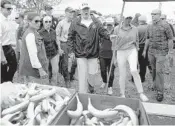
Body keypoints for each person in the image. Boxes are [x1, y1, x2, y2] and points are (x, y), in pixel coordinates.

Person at [67, 3, 110, 93]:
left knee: (92, 73)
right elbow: (70, 37)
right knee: (82, 75)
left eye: (87, 9)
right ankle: (82, 93)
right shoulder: (75, 22)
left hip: (93, 53)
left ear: (89, 10)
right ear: (81, 11)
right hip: (80, 53)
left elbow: (103, 32)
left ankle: (91, 85)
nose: (85, 11)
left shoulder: (96, 21)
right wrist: (71, 52)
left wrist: (109, 36)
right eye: (84, 9)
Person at [111, 14, 149, 102]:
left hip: (132, 50)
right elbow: (114, 43)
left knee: (134, 70)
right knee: (122, 73)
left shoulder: (134, 28)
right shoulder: (117, 28)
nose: (129, 20)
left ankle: (141, 93)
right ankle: (122, 93)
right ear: (123, 19)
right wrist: (114, 56)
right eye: (127, 18)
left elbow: (136, 40)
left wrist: (138, 48)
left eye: (130, 18)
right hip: (120, 51)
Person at [143, 9, 174, 102]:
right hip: (151, 52)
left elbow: (170, 39)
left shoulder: (166, 25)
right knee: (153, 70)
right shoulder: (149, 26)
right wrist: (145, 50)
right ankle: (155, 84)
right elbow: (148, 38)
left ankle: (160, 92)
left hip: (161, 52)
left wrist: (170, 52)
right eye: (151, 14)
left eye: (155, 14)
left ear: (159, 15)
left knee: (159, 71)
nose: (152, 16)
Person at [19, 12, 48, 84]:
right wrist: (41, 70)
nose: (39, 23)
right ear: (29, 22)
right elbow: (33, 54)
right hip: (32, 70)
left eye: (40, 21)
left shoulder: (35, 32)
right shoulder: (30, 34)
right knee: (36, 91)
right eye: (36, 21)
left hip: (32, 69)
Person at [56, 7, 75, 88]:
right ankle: (67, 80)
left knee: (75, 62)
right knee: (65, 64)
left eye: (72, 12)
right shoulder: (61, 23)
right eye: (70, 12)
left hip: (73, 44)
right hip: (64, 44)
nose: (72, 14)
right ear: (66, 13)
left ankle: (71, 76)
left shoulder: (74, 23)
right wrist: (59, 48)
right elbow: (57, 36)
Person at [39, 16, 59, 86]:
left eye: (49, 22)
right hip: (45, 55)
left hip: (54, 54)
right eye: (46, 22)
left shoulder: (53, 31)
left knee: (55, 71)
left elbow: (55, 42)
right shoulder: (39, 33)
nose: (48, 23)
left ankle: (54, 86)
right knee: (46, 71)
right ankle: (46, 86)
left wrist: (58, 50)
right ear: (43, 23)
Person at [0, 0, 17, 83]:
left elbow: (6, 35)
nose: (10, 10)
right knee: (2, 71)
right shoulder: (0, 21)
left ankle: (8, 82)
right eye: (8, 9)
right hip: (2, 48)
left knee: (14, 65)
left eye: (11, 9)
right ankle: (4, 85)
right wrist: (2, 56)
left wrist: (12, 44)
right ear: (1, 8)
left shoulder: (7, 20)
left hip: (8, 47)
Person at [99, 17, 115, 95]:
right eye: (108, 24)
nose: (109, 26)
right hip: (102, 54)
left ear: (113, 24)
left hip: (112, 55)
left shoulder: (116, 31)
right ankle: (104, 81)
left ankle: (110, 87)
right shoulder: (102, 32)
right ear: (106, 24)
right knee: (103, 71)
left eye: (110, 24)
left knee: (111, 73)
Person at [137, 15, 150, 82]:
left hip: (138, 47)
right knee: (143, 64)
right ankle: (142, 78)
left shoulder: (137, 28)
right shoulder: (149, 27)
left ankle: (134, 78)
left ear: (139, 20)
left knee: (136, 63)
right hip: (146, 47)